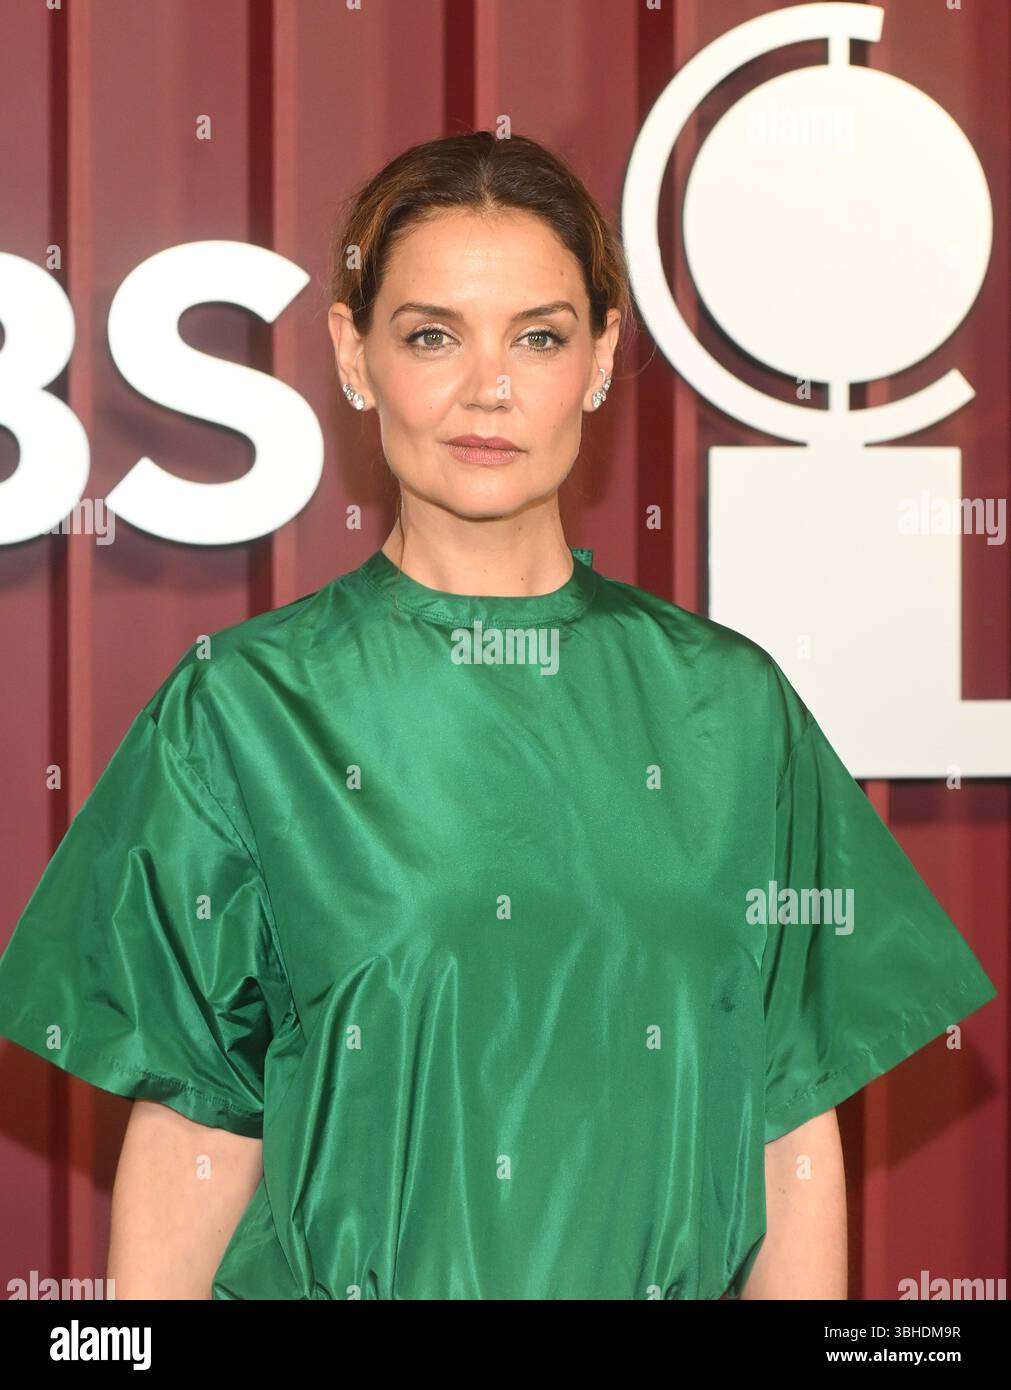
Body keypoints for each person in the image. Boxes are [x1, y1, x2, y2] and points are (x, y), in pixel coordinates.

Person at [0, 131, 996, 1301]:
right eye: (432, 335)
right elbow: (200, 1129)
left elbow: (786, 1126)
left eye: (540, 335)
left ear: (604, 355)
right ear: (352, 354)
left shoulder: (730, 708)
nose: (490, 387)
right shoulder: (244, 708)